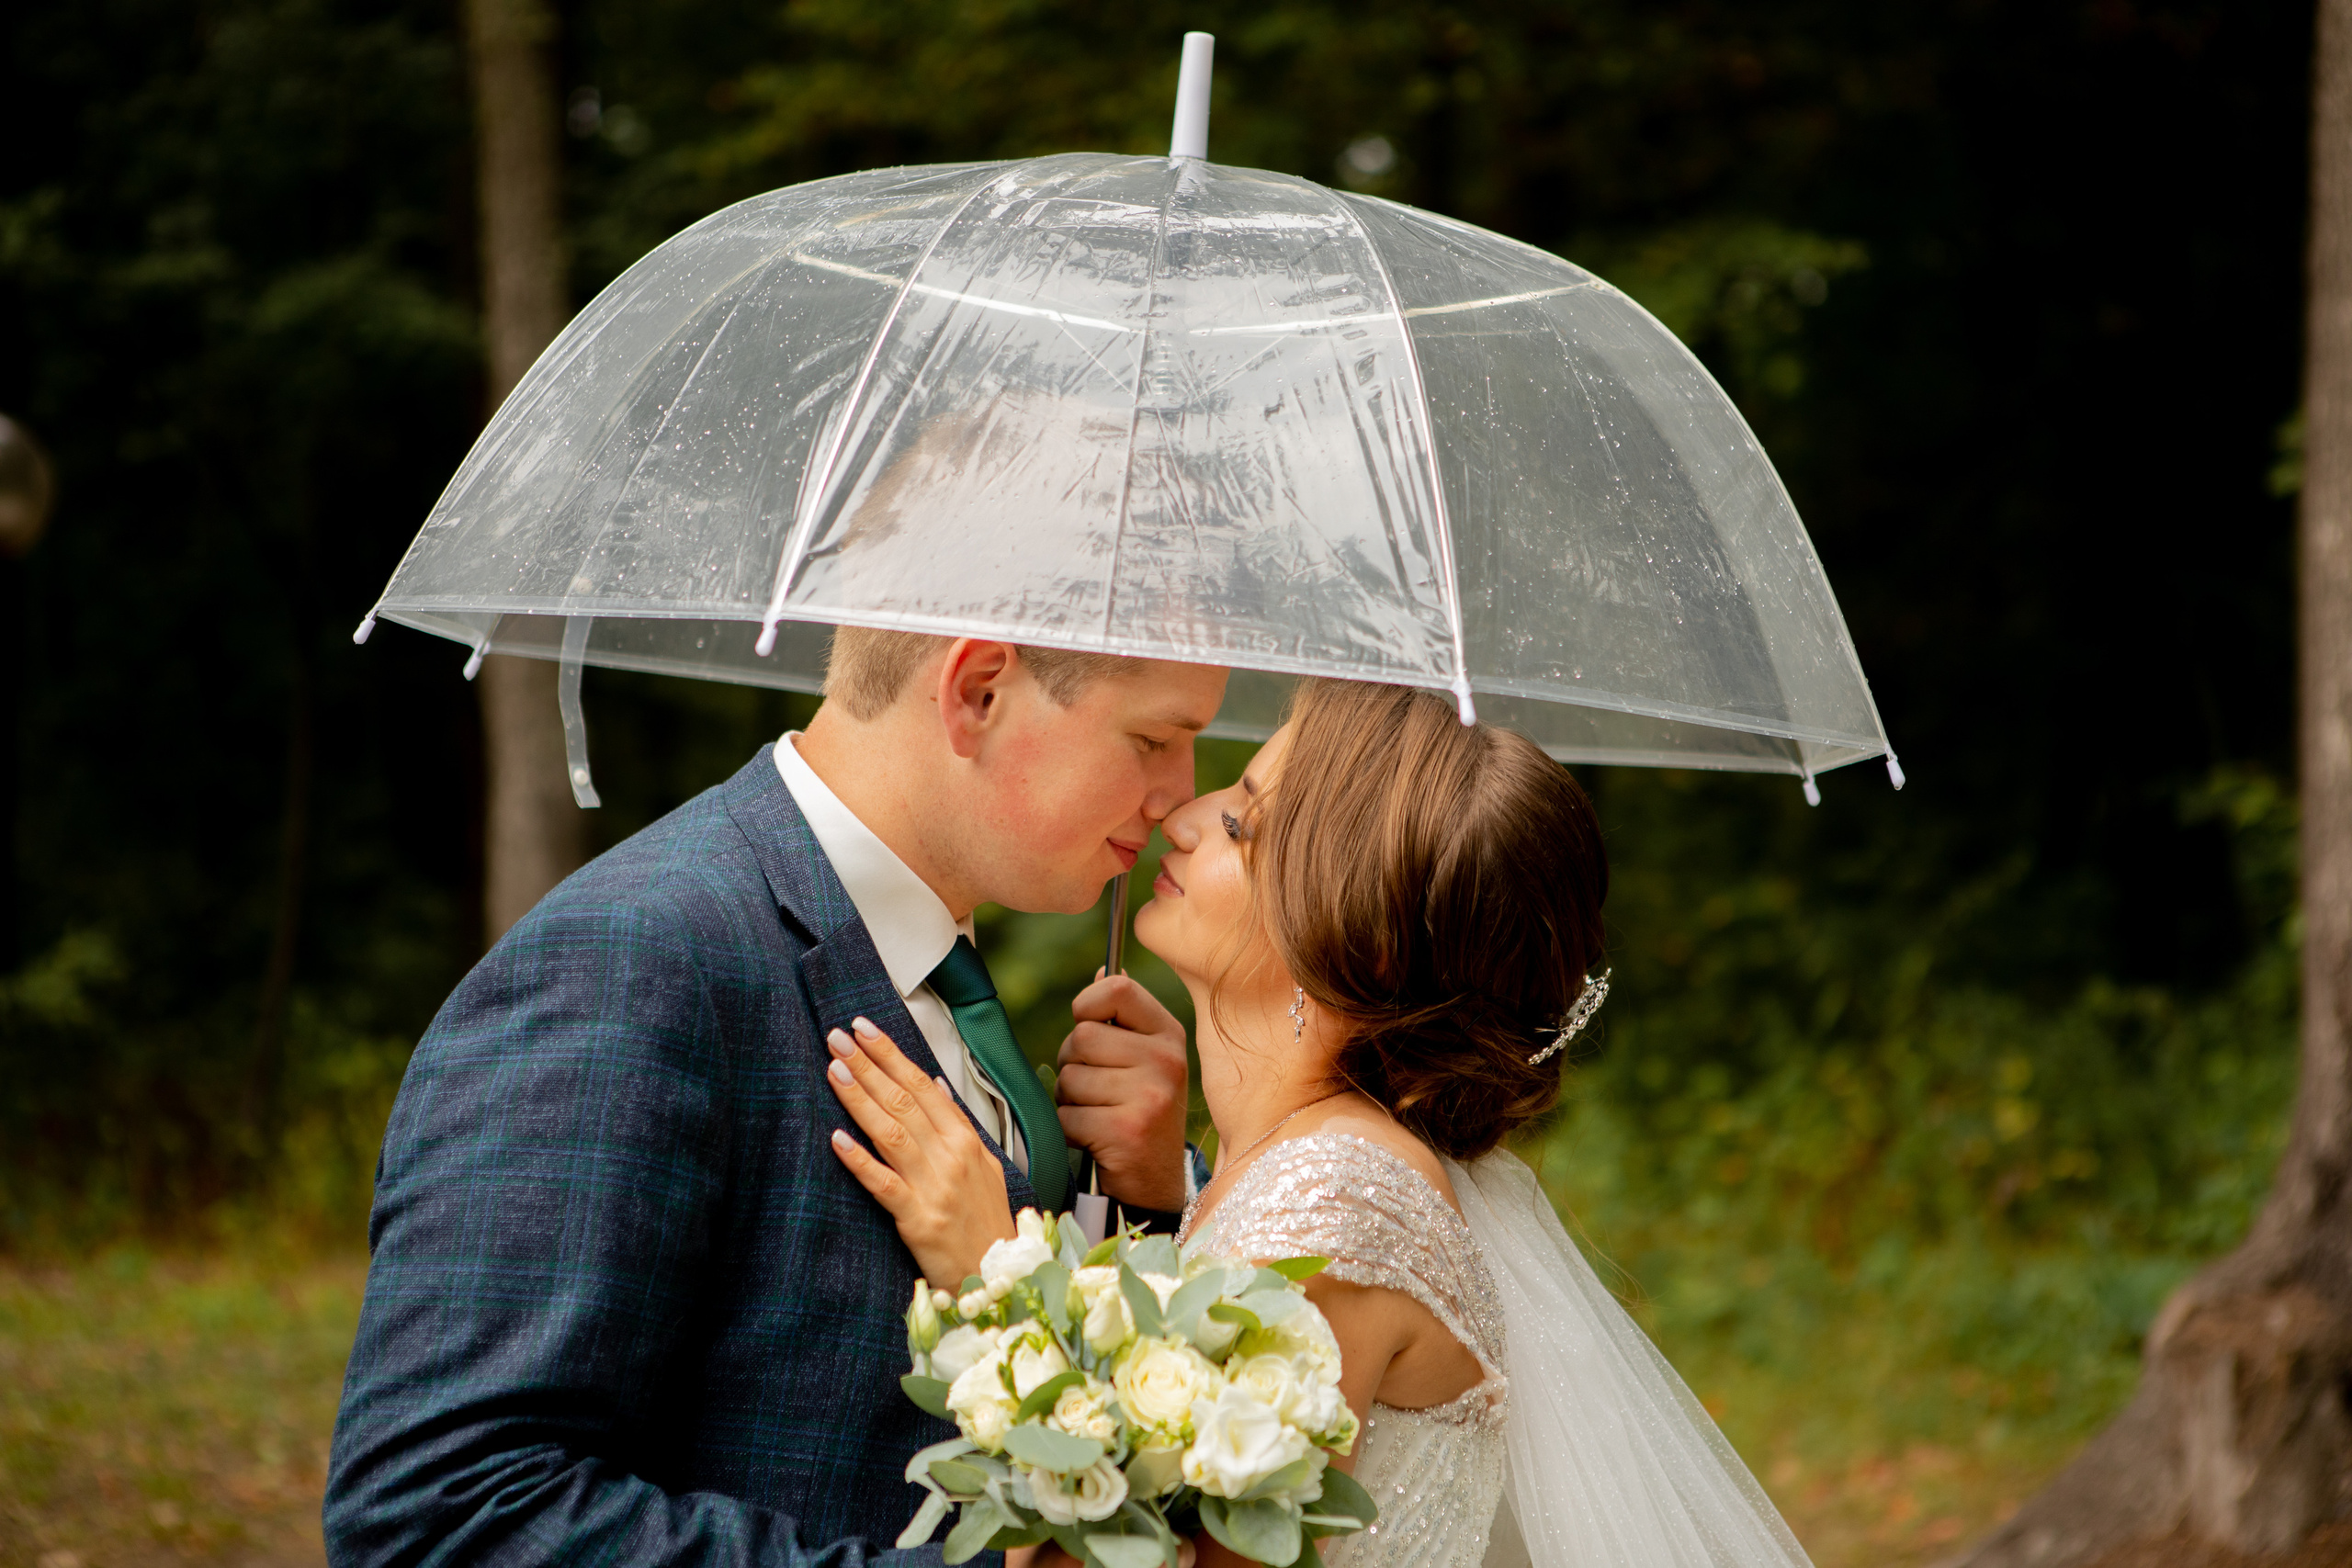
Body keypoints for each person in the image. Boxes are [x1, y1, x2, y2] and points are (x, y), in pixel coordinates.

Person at [831, 678, 1817, 1568]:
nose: (1185, 815)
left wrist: (990, 1275)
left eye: (1246, 827)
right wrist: (1156, 1198)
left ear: (1354, 936)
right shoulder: (1309, 1170)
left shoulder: (1337, 1212)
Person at [324, 631, 1226, 1568]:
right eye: (1155, 739)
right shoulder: (637, 959)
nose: (1179, 794)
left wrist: (1142, 1200)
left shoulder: (932, 966)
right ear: (980, 692)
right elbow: (440, 1513)